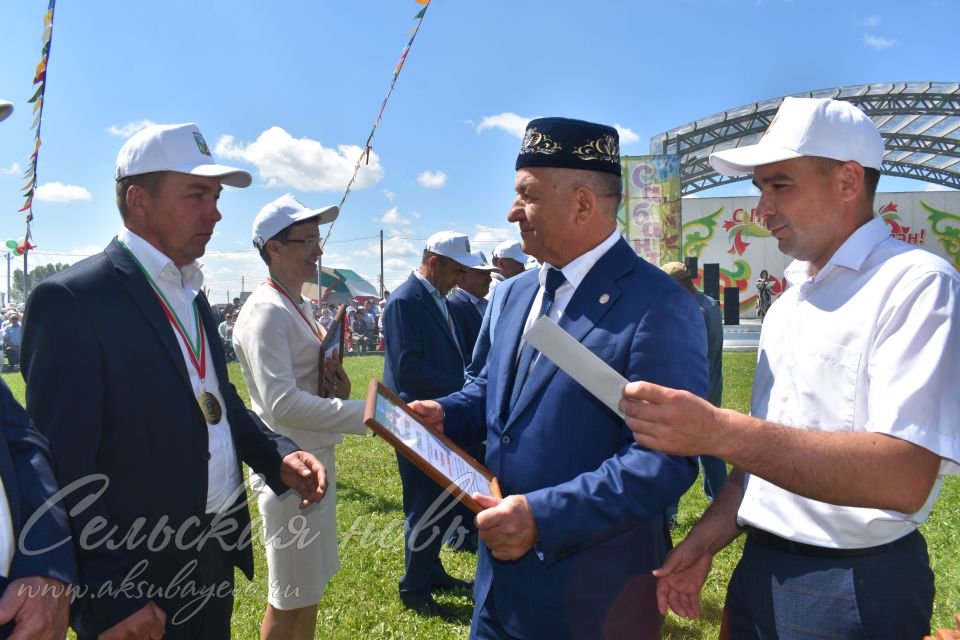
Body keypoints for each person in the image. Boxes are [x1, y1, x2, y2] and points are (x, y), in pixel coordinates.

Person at [621, 97, 960, 638]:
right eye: (760, 188)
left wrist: (720, 431)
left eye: (781, 185)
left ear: (849, 181)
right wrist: (704, 541)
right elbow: (764, 459)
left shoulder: (916, 283)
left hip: (854, 584)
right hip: (760, 567)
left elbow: (904, 476)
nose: (763, 208)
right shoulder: (789, 301)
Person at [20, 122, 329, 640]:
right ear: (138, 200)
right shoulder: (72, 301)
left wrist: (275, 453)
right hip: (136, 578)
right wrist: (110, 596)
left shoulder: (189, 290)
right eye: (197, 194)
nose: (215, 211)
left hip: (210, 553)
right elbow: (64, 464)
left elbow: (216, 399)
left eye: (215, 195)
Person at [411, 117, 708, 639]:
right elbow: (490, 389)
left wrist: (543, 516)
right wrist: (448, 411)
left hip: (593, 600)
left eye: (526, 196)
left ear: (582, 205)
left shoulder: (658, 306)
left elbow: (666, 460)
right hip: (498, 592)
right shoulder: (511, 294)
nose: (511, 212)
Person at [233, 193, 367, 640]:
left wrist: (337, 385)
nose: (318, 250)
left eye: (318, 239)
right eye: (306, 240)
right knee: (287, 595)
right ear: (273, 248)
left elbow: (304, 385)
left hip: (312, 462)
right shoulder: (265, 311)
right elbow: (281, 404)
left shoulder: (298, 302)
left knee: (307, 592)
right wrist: (363, 414)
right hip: (290, 471)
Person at [382, 231, 481, 619]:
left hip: (431, 415)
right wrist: (466, 387)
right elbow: (409, 370)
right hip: (415, 419)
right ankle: (414, 587)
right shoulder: (406, 300)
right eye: (456, 270)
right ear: (434, 262)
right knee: (424, 504)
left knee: (437, 503)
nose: (460, 279)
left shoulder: (435, 298)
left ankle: (431, 570)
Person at [660, 262, 727, 525]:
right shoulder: (709, 303)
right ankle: (722, 505)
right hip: (711, 389)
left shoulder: (691, 310)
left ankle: (669, 513)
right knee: (711, 450)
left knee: (675, 453)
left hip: (693, 393)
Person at [448, 250, 498, 360]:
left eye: (489, 273)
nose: (489, 278)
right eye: (483, 273)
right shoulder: (454, 307)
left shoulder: (486, 305)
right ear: (463, 276)